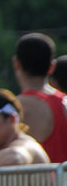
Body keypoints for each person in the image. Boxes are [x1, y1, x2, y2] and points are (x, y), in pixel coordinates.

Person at [13, 33, 67, 163]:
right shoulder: (65, 102)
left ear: (16, 63)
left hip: (38, 183)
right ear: (51, 67)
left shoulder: (15, 108)